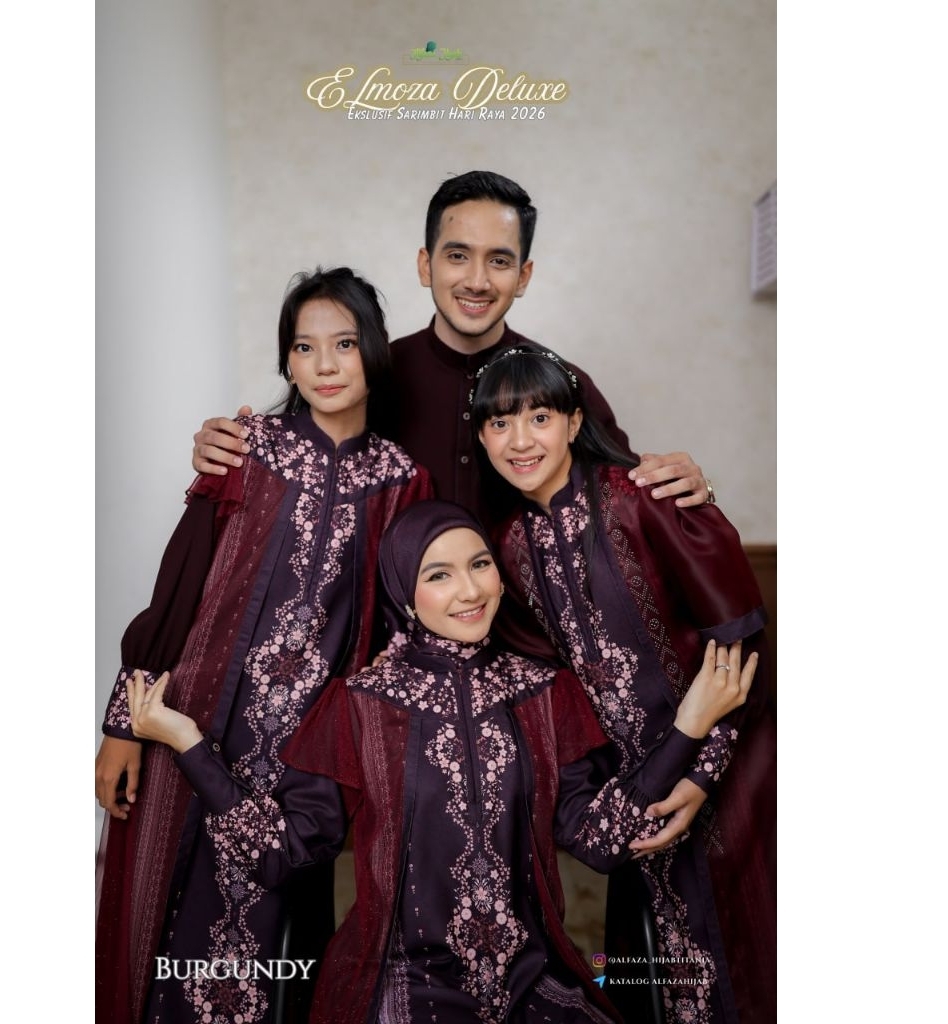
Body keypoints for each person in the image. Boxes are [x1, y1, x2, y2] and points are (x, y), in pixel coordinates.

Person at [125, 500, 757, 1024]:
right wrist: (187, 742)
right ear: (405, 593)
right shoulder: (358, 706)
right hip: (400, 982)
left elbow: (600, 840)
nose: (470, 590)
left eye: (480, 564)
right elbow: (282, 853)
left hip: (534, 983)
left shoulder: (546, 694)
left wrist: (689, 727)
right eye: (439, 575)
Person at [94, 267, 433, 1024]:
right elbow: (178, 588)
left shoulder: (401, 481)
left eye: (344, 344)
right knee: (162, 918)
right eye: (304, 347)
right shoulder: (247, 453)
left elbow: (400, 624)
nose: (324, 364)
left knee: (281, 940)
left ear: (374, 352)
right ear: (286, 361)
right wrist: (122, 724)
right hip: (190, 722)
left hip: (304, 761)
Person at [470, 345, 777, 1024]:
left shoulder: (645, 500)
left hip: (740, 771)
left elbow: (743, 646)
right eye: (499, 423)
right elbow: (553, 688)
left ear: (575, 422)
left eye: (539, 417)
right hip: (639, 788)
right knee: (659, 977)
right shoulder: (508, 548)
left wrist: (701, 777)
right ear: (482, 438)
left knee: (757, 952)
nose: (520, 440)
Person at [188, 171, 710, 526]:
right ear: (426, 265)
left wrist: (690, 490)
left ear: (523, 276)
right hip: (392, 639)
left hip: (536, 641)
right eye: (458, 255)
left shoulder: (564, 382)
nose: (477, 280)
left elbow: (629, 499)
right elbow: (298, 468)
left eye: (499, 261)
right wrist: (228, 450)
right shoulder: (369, 374)